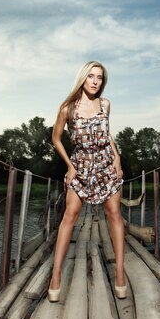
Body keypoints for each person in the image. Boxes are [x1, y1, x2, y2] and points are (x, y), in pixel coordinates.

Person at [48, 60, 127, 302]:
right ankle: (56, 274)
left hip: (106, 164)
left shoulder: (105, 104)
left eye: (100, 77)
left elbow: (107, 134)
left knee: (114, 214)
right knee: (70, 216)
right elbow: (56, 138)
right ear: (83, 78)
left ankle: (120, 272)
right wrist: (70, 167)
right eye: (91, 76)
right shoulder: (67, 108)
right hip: (81, 165)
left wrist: (117, 158)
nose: (95, 81)